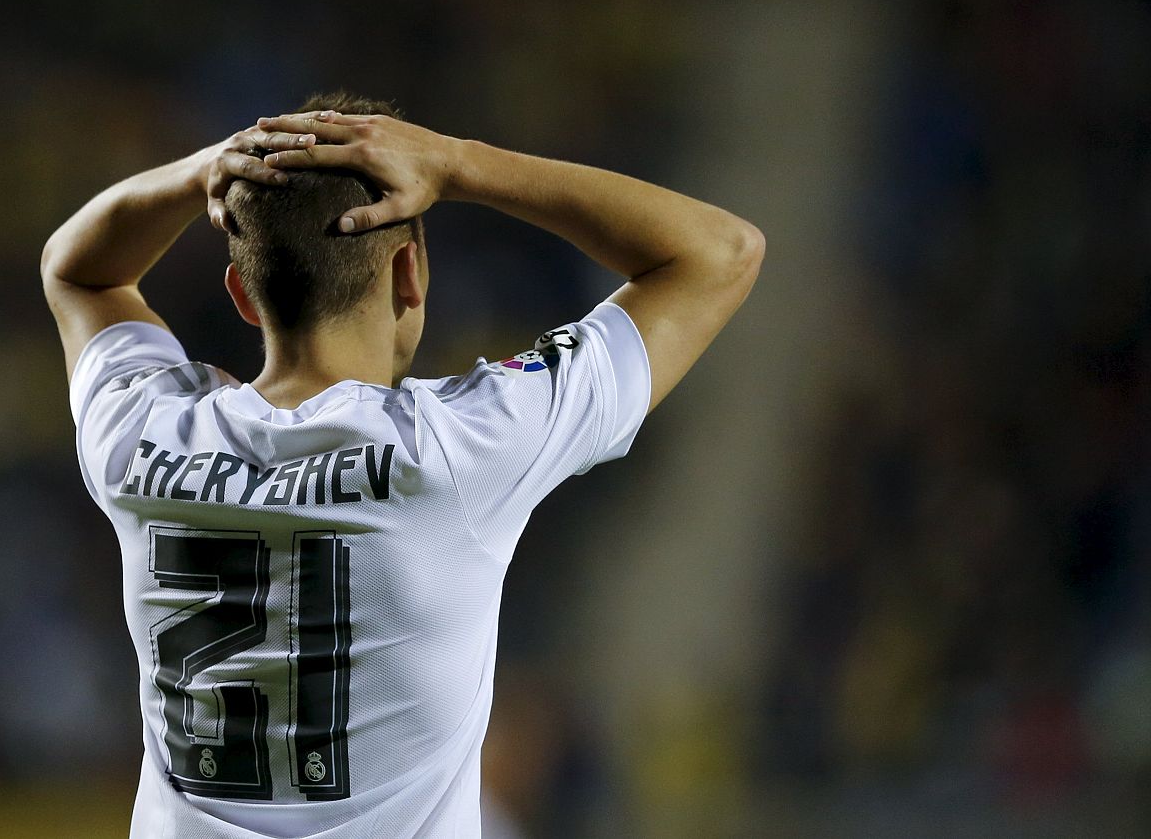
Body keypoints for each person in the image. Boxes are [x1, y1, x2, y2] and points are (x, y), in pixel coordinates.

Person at [41, 93, 764, 838]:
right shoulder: (458, 446)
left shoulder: (145, 435)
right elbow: (718, 251)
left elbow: (78, 271)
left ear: (242, 296)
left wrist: (206, 172)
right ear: (410, 272)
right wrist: (457, 161)